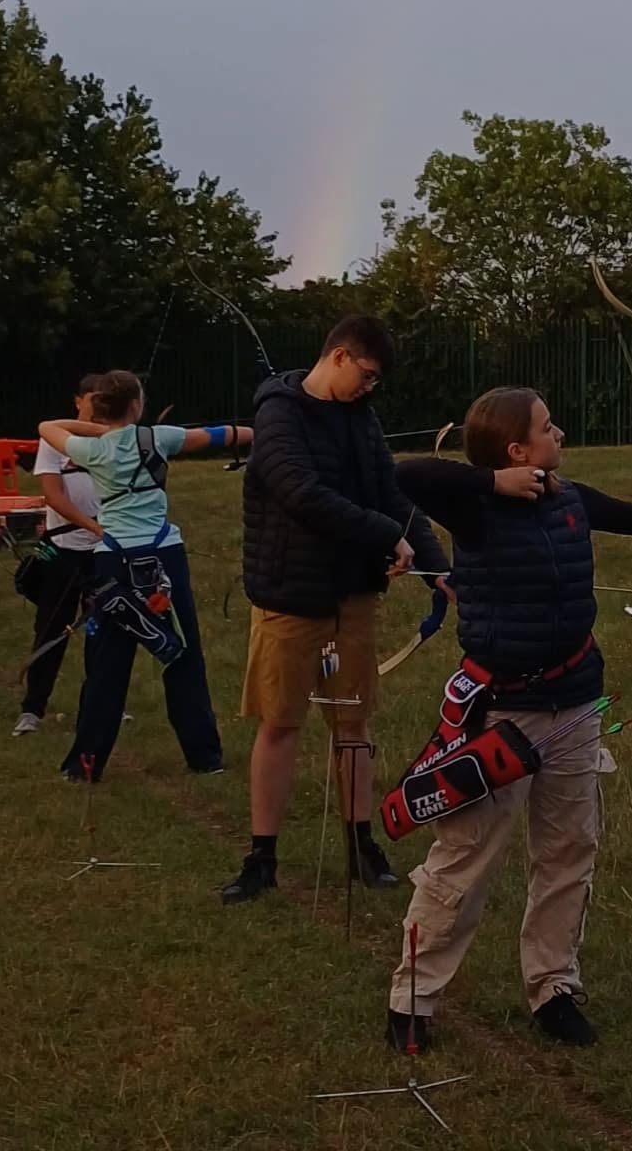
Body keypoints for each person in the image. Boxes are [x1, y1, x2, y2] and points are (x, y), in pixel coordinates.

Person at [385, 386, 632, 1051]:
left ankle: (553, 988)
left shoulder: (567, 497)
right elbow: (404, 474)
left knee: (569, 851)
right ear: (516, 450)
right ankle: (412, 1002)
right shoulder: (474, 505)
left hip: (575, 701)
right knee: (464, 861)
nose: (558, 432)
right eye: (546, 426)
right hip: (502, 713)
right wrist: (491, 481)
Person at [221, 314, 450, 905]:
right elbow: (301, 494)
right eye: (367, 375)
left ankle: (361, 846)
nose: (370, 388)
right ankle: (261, 857)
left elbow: (391, 492)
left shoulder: (362, 418)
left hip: (352, 595)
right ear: (341, 356)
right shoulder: (278, 415)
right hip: (291, 598)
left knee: (352, 725)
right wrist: (381, 535)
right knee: (281, 722)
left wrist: (436, 565)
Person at [38, 370, 244, 782]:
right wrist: (260, 431)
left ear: (99, 408)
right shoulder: (159, 438)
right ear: (137, 405)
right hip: (164, 556)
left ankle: (85, 764)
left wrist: (97, 428)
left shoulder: (88, 448)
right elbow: (216, 435)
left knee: (108, 664)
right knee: (184, 653)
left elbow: (47, 427)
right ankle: (205, 757)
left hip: (114, 560)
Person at [13, 373, 106, 736]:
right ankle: (32, 709)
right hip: (61, 548)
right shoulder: (56, 440)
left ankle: (101, 702)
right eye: (93, 399)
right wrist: (94, 526)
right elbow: (54, 496)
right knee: (52, 627)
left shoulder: (112, 439)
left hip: (103, 552)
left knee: (103, 628)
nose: (98, 407)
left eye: (105, 402)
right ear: (78, 401)